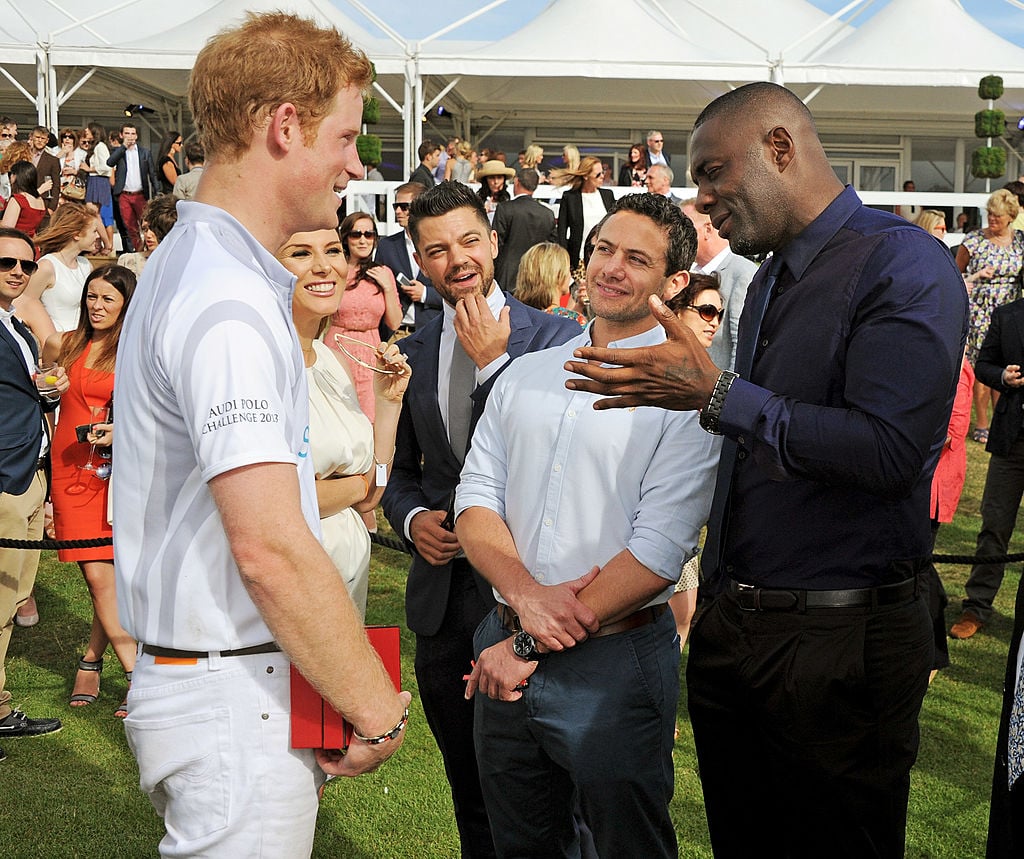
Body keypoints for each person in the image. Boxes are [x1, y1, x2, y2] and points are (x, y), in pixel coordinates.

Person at [564, 81, 968, 857]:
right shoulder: (777, 274)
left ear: (780, 148)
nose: (702, 199)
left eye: (715, 173)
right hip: (738, 634)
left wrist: (718, 394)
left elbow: (888, 450)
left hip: (840, 644)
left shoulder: (903, 264)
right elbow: (758, 438)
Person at [112, 13, 411, 857]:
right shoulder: (229, 297)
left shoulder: (200, 262)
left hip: (224, 677)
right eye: (348, 136)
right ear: (285, 125)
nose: (358, 163)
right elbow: (271, 547)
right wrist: (375, 705)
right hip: (233, 689)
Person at [455, 192, 717, 858]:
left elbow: (660, 550)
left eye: (636, 258)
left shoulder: (691, 397)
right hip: (506, 638)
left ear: (676, 282)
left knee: (629, 844)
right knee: (522, 844)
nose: (610, 267)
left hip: (614, 664)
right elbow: (476, 498)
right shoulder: (527, 376)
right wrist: (523, 600)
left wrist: (527, 643)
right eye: (603, 248)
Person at [381, 181, 579, 859]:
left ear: (493, 242)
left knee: (550, 796)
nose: (456, 259)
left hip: (534, 602)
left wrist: (496, 364)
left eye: (469, 240)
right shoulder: (416, 344)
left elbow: (560, 459)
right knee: (469, 791)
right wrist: (413, 522)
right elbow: (402, 474)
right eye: (436, 249)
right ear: (419, 258)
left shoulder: (558, 337)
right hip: (444, 607)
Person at [281, 228, 410, 616]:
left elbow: (374, 495)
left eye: (332, 250)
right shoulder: (261, 366)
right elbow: (284, 503)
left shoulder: (330, 363)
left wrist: (388, 406)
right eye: (301, 253)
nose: (324, 267)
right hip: (292, 585)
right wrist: (358, 484)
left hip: (347, 584)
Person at [43, 265, 136, 716]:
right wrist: (48, 392)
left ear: (125, 307)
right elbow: (44, 400)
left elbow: (157, 411)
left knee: (110, 578)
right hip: (69, 469)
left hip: (118, 474)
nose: (97, 307)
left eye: (108, 300)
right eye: (91, 297)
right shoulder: (64, 342)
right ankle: (137, 674)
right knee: (99, 577)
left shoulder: (136, 350)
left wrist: (120, 432)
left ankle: (97, 662)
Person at [0, 226, 68, 760]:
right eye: (7, 263)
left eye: (25, 264)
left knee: (9, 601)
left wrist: (47, 385)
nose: (18, 272)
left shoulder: (15, 324)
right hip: (4, 475)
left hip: (30, 468)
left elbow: (24, 388)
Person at [949, 297, 1024, 642]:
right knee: (994, 525)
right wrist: (1002, 376)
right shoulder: (1007, 315)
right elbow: (984, 366)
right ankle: (977, 607)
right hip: (1011, 442)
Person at [958, 189, 1024, 444]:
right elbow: (954, 273)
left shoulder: (1020, 241)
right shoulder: (973, 240)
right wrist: (974, 277)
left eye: (997, 216)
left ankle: (1002, 418)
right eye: (989, 214)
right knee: (982, 365)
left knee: (1008, 364)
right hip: (981, 313)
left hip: (1011, 314)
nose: (992, 220)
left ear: (1010, 217)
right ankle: (982, 422)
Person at [326, 213, 402, 422]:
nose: (362, 240)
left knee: (370, 418)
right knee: (337, 415)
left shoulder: (383, 272)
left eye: (369, 234)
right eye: (356, 234)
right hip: (337, 346)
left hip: (371, 350)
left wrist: (386, 285)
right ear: (346, 239)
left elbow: (394, 322)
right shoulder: (335, 270)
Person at [680, 198, 758, 371]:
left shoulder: (742, 274)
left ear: (707, 230)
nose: (679, 236)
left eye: (686, 230)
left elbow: (741, 344)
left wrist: (726, 394)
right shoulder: (686, 271)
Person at [13, 203, 99, 345]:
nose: (97, 236)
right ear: (77, 235)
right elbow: (23, 306)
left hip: (84, 342)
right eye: (94, 231)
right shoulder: (47, 266)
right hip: (57, 344)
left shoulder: (85, 265)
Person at [375, 181, 442, 335]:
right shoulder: (387, 246)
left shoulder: (441, 244)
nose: (398, 211)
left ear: (421, 207)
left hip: (431, 333)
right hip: (395, 333)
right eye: (395, 206)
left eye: (404, 207)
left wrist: (425, 294)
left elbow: (455, 292)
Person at [492, 166, 557, 292]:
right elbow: (552, 248)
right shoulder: (547, 214)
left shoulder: (505, 209)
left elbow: (496, 244)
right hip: (536, 280)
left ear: (516, 182)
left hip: (507, 278)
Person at [552, 156, 614, 269]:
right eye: (598, 174)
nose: (602, 177)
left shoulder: (608, 195)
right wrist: (564, 260)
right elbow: (561, 231)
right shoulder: (570, 197)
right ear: (586, 176)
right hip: (579, 259)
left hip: (605, 260)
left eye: (603, 172)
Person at [106, 123, 159, 252]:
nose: (130, 136)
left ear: (136, 135)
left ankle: (150, 249)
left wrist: (157, 192)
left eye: (133, 133)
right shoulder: (119, 152)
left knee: (146, 223)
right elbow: (109, 162)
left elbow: (152, 173)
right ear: (121, 135)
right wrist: (123, 146)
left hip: (140, 194)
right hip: (124, 194)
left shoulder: (144, 152)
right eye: (127, 133)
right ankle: (138, 250)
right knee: (130, 226)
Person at [515, 242, 586, 326]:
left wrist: (578, 306)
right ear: (559, 275)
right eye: (568, 269)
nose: (570, 275)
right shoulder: (575, 321)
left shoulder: (513, 315)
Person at [117, 194, 178, 278]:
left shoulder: (184, 264)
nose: (148, 235)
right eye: (145, 229)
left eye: (154, 229)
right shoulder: (129, 262)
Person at [77, 122, 115, 254]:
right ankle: (99, 242)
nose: (86, 132)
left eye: (88, 131)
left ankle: (106, 243)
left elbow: (106, 166)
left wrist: (89, 169)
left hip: (98, 180)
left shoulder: (100, 146)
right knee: (93, 214)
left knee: (92, 212)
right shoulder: (95, 147)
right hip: (94, 180)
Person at [1, 161, 46, 236]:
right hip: (31, 243)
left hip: (16, 242)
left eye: (10, 174)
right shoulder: (40, 200)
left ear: (15, 176)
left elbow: (7, 229)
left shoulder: (18, 199)